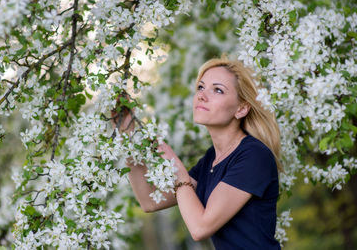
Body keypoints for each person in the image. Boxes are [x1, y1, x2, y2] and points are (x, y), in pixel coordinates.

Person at [114, 55, 282, 249]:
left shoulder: (254, 156)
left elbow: (200, 228)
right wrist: (127, 135)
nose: (202, 95)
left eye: (218, 90)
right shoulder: (212, 158)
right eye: (201, 87)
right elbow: (150, 201)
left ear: (242, 109)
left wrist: (174, 166)